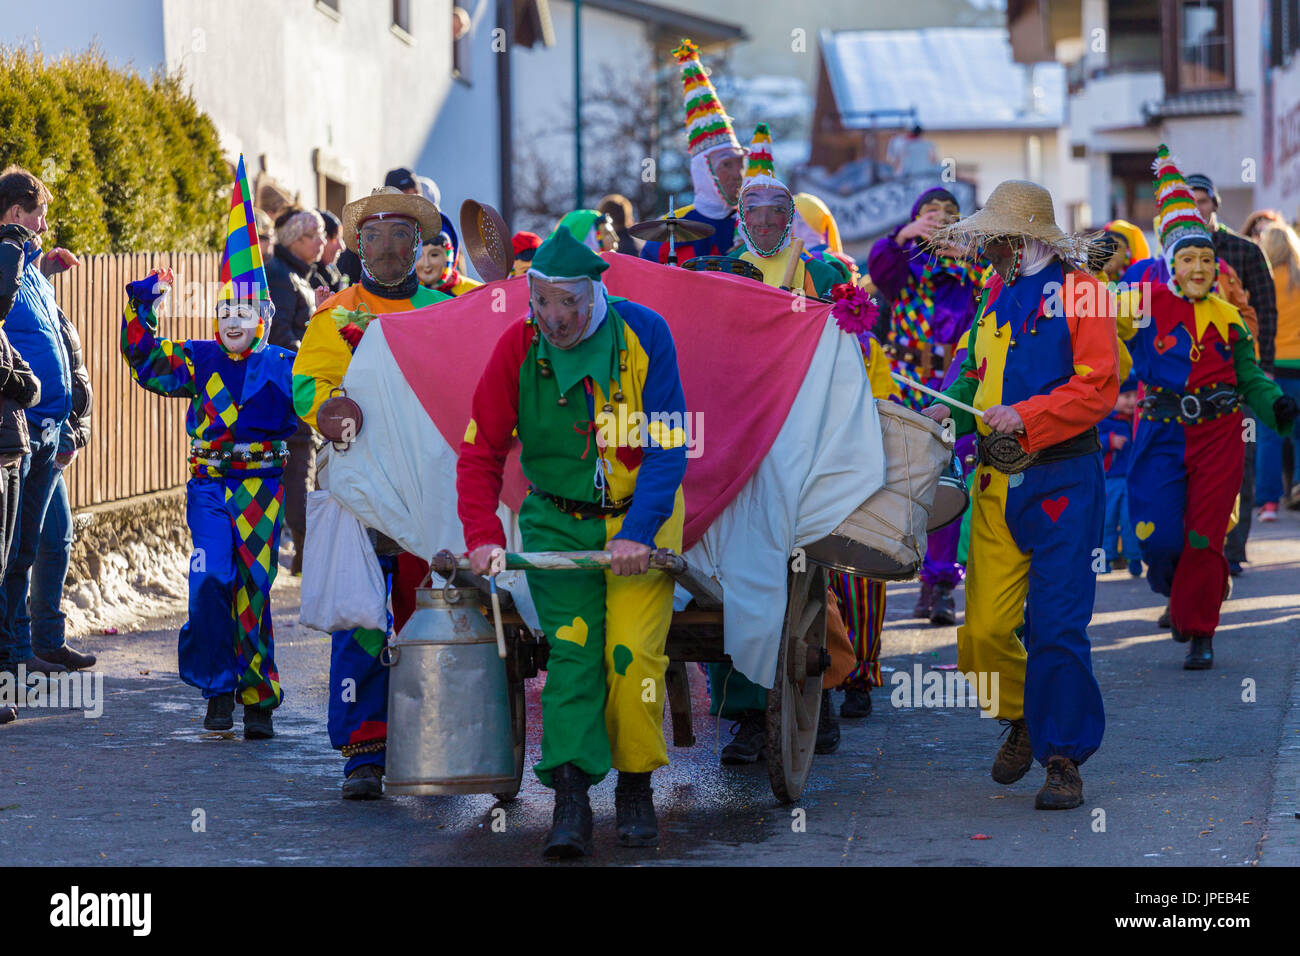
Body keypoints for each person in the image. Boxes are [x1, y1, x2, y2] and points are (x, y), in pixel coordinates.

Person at [457, 228, 688, 858]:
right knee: (574, 653)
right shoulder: (517, 348)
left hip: (642, 520)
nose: (554, 318)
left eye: (568, 304)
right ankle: (570, 796)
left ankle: (635, 787)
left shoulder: (647, 334)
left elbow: (669, 444)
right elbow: (480, 451)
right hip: (557, 523)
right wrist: (481, 537)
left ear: (594, 295)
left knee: (631, 656)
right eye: (542, 302)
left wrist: (639, 532)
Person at [922, 179, 1118, 811]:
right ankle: (1022, 716)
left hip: (1062, 480)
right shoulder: (996, 291)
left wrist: (1027, 415)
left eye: (992, 236)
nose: (982, 246)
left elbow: (1097, 388)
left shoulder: (1085, 293)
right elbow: (970, 368)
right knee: (980, 633)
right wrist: (945, 409)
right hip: (995, 483)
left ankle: (1063, 759)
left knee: (1058, 628)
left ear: (1023, 237)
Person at [120, 156, 298, 737]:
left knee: (253, 587)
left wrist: (351, 342)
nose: (232, 320)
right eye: (225, 310)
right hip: (209, 487)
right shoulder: (201, 359)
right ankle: (217, 688)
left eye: (244, 311)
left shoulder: (285, 366)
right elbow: (148, 363)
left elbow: (330, 396)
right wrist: (143, 305)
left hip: (262, 490)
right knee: (210, 579)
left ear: (265, 317)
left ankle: (257, 697)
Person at [293, 186, 452, 798]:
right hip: (359, 488)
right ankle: (364, 751)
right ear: (359, 246)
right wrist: (326, 406)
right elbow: (308, 384)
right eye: (377, 237)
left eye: (402, 237)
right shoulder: (333, 314)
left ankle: (428, 741)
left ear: (420, 246)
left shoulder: (445, 309)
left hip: (424, 490)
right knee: (361, 618)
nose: (389, 248)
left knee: (426, 615)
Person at [1119, 147, 1297, 670]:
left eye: (1205, 260)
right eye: (1187, 259)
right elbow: (1105, 320)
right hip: (1160, 432)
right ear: (1170, 263)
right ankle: (1180, 594)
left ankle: (1200, 630)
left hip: (1219, 434)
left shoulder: (1229, 316)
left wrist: (1276, 408)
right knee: (1155, 535)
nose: (1198, 268)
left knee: (1205, 535)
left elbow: (1251, 378)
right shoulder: (1144, 300)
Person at [867, 186, 984, 624]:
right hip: (904, 381)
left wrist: (971, 254)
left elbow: (993, 298)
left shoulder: (974, 267)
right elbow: (880, 272)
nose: (939, 218)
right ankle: (899, 570)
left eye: (948, 213)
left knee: (947, 479)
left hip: (951, 384)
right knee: (902, 479)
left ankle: (939, 586)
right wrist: (904, 235)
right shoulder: (903, 259)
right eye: (928, 212)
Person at [0, 166, 90, 678]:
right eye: (40, 215)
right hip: (25, 424)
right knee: (18, 549)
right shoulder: (9, 259)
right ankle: (15, 656)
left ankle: (33, 647)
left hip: (49, 422)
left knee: (45, 541)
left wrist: (44, 264)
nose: (43, 225)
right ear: (17, 213)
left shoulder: (28, 264)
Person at [1187, 172, 1277, 577]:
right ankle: (1199, 545)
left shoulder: (1243, 252)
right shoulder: (1172, 257)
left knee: (1243, 456)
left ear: (1215, 205)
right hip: (1189, 379)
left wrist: (1265, 369)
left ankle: (1234, 549)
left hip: (1241, 373)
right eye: (1188, 202)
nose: (1196, 208)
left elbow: (1266, 311)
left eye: (1202, 201)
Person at [639, 39, 745, 264]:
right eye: (727, 164)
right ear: (703, 171)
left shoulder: (755, 228)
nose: (738, 174)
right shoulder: (667, 235)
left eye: (740, 163)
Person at [28, 305, 93, 667]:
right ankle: (19, 651)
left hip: (54, 436)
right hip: (35, 439)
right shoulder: (18, 285)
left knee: (57, 539)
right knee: (23, 549)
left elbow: (65, 366)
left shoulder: (39, 285)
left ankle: (47, 641)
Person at [0, 214, 44, 719]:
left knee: (12, 559)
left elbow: (27, 375)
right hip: (5, 441)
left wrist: (20, 380)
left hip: (13, 444)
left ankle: (11, 667)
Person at [266, 207, 326, 576]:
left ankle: (307, 555)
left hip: (300, 387)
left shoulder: (299, 275)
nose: (321, 242)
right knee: (299, 474)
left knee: (304, 473)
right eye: (314, 235)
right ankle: (307, 554)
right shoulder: (282, 277)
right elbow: (277, 335)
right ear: (295, 240)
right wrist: (313, 351)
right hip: (288, 391)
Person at [729, 123, 839, 297]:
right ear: (742, 216)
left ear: (790, 217)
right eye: (754, 209)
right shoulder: (724, 269)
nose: (764, 219)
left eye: (777, 209)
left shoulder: (822, 275)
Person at [1254, 223, 1300, 519]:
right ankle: (1297, 487)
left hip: (1267, 367)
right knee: (1299, 434)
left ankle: (1268, 504)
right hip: (1298, 366)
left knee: (1269, 436)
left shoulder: (1259, 283)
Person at [1098, 376, 1141, 575]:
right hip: (1110, 480)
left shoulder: (1139, 422)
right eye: (1126, 396)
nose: (1132, 401)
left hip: (1133, 480)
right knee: (1106, 521)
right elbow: (1095, 443)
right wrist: (1110, 441)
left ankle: (1134, 558)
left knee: (1129, 520)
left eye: (1135, 396)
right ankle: (1105, 559)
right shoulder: (1104, 421)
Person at [315, 210, 348, 293]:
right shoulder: (309, 278)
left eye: (341, 238)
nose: (342, 246)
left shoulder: (331, 272)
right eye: (335, 238)